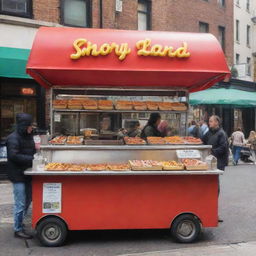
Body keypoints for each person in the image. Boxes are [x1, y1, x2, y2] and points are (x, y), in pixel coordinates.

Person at [6, 113, 36, 239]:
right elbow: (13, 156)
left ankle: (21, 223)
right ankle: (17, 229)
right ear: (24, 126)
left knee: (28, 199)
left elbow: (32, 150)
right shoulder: (13, 138)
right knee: (20, 203)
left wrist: (36, 154)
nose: (32, 128)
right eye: (30, 126)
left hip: (27, 173)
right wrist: (32, 159)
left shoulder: (28, 136)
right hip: (17, 174)